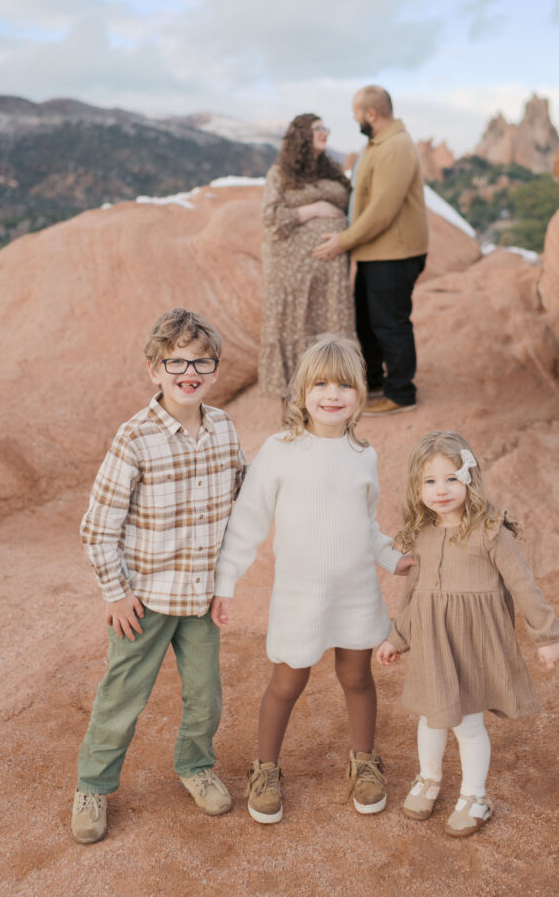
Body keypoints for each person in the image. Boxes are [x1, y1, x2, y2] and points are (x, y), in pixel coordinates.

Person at [211, 335, 414, 823]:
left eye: (345, 384)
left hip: (356, 592)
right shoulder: (280, 451)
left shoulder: (363, 455)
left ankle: (364, 762)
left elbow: (365, 525)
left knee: (357, 677)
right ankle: (264, 769)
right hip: (301, 596)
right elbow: (248, 522)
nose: (332, 394)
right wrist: (225, 581)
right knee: (287, 681)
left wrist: (392, 559)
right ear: (301, 392)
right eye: (321, 383)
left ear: (359, 394)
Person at [71, 308, 245, 844]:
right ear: (155, 370)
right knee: (122, 697)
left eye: (201, 362)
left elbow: (245, 498)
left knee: (206, 695)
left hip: (198, 598)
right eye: (176, 362)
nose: (188, 372)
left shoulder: (223, 428)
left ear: (215, 371)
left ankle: (194, 765)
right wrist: (116, 594)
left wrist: (225, 583)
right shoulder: (135, 439)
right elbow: (97, 527)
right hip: (142, 602)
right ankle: (92, 787)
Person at [376, 430, 559, 837]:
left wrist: (547, 637)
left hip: (474, 647)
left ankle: (475, 795)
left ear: (469, 479)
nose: (440, 490)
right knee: (431, 717)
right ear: (416, 486)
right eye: (429, 481)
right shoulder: (422, 535)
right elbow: (413, 596)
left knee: (467, 724)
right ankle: (429, 778)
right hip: (432, 646)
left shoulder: (492, 531)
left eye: (451, 478)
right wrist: (397, 638)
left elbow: (524, 585)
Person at [313, 86, 428, 415]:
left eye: (356, 112)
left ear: (371, 114)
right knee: (367, 322)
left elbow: (382, 210)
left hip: (394, 254)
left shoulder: (396, 146)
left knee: (390, 324)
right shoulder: (378, 144)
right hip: (376, 253)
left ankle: (402, 393)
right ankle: (376, 383)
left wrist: (342, 241)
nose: (354, 117)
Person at [259, 114, 355, 398]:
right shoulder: (280, 173)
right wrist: (314, 210)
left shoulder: (331, 170)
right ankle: (294, 400)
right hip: (292, 271)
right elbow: (271, 217)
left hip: (330, 273)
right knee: (295, 327)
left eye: (326, 127)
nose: (325, 132)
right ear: (301, 135)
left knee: (329, 328)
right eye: (318, 128)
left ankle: (333, 394)